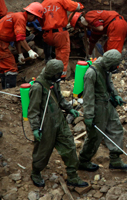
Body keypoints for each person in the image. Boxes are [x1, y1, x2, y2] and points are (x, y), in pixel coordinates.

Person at [28, 59, 87, 188]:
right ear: (52, 73)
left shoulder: (53, 82)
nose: (60, 76)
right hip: (46, 124)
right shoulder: (38, 87)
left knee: (69, 146)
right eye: (58, 74)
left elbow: (59, 98)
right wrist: (35, 128)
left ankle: (73, 176)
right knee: (43, 151)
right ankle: (36, 172)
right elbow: (33, 111)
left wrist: (69, 108)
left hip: (59, 121)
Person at [78, 50, 127, 171]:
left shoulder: (106, 68)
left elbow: (109, 83)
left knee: (116, 128)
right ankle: (84, 160)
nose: (116, 67)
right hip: (97, 107)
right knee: (94, 136)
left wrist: (115, 95)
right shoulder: (91, 73)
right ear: (109, 63)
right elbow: (88, 96)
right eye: (115, 65)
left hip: (108, 103)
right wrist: (89, 115)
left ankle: (115, 159)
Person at [37, 0, 83, 78]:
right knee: (63, 53)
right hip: (60, 33)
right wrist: (79, 5)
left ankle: (48, 60)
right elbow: (77, 7)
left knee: (51, 51)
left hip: (47, 36)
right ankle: (61, 77)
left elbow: (41, 23)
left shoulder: (40, 6)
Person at [0, 3, 43, 89]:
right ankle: (9, 92)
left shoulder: (18, 16)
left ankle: (5, 90)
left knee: (5, 68)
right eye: (35, 17)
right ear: (32, 15)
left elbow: (17, 38)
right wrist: (30, 51)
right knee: (11, 68)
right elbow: (21, 38)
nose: (34, 20)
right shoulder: (20, 18)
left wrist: (20, 54)